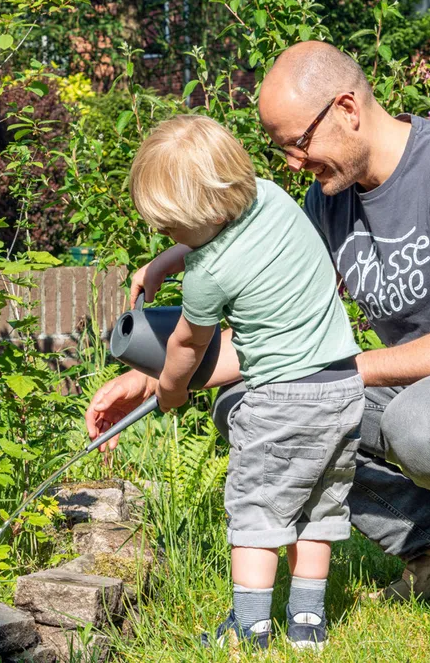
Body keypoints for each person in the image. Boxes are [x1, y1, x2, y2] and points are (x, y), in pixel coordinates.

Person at [89, 40, 430, 627]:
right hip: (429, 390)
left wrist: (346, 371)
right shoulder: (328, 202)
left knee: (417, 421)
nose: (292, 163)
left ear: (348, 109)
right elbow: (275, 344)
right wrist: (152, 379)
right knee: (253, 409)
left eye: (297, 144)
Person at [126, 114, 365, 650]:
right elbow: (219, 233)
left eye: (170, 229)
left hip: (280, 399)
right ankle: (308, 625)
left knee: (257, 512)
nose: (167, 237)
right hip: (345, 386)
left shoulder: (208, 275)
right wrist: (168, 259)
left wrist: (170, 389)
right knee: (318, 510)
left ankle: (250, 629)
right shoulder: (273, 198)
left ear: (204, 214)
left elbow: (189, 345)